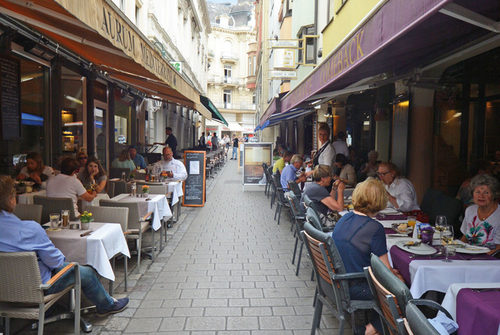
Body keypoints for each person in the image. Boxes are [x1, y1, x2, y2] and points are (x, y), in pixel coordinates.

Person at [0, 175, 129, 316]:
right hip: (36, 290)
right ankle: (106, 305)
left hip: (4, 292)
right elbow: (55, 262)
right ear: (12, 200)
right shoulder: (29, 229)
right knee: (85, 272)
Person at [332, 178, 404, 335]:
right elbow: (386, 274)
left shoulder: (345, 218)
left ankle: (378, 325)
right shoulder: (374, 228)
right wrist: (397, 274)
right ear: (379, 200)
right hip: (357, 286)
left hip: (341, 282)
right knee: (401, 290)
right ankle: (369, 329)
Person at [460, 174, 500, 254]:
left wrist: (480, 258)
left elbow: (498, 247)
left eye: (486, 192)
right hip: (470, 255)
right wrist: (458, 250)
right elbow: (465, 237)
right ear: (472, 194)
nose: (481, 196)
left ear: (493, 195)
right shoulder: (470, 210)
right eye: (477, 192)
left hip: (491, 259)